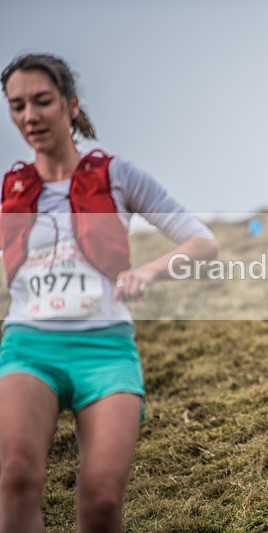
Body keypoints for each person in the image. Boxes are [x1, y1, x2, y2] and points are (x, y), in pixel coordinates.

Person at [0, 54, 218, 532]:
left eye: (41, 101)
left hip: (105, 349)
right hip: (28, 346)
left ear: (70, 104)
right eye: (17, 106)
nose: (30, 117)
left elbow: (202, 240)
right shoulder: (10, 188)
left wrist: (150, 272)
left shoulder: (119, 175)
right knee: (16, 478)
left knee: (100, 501)